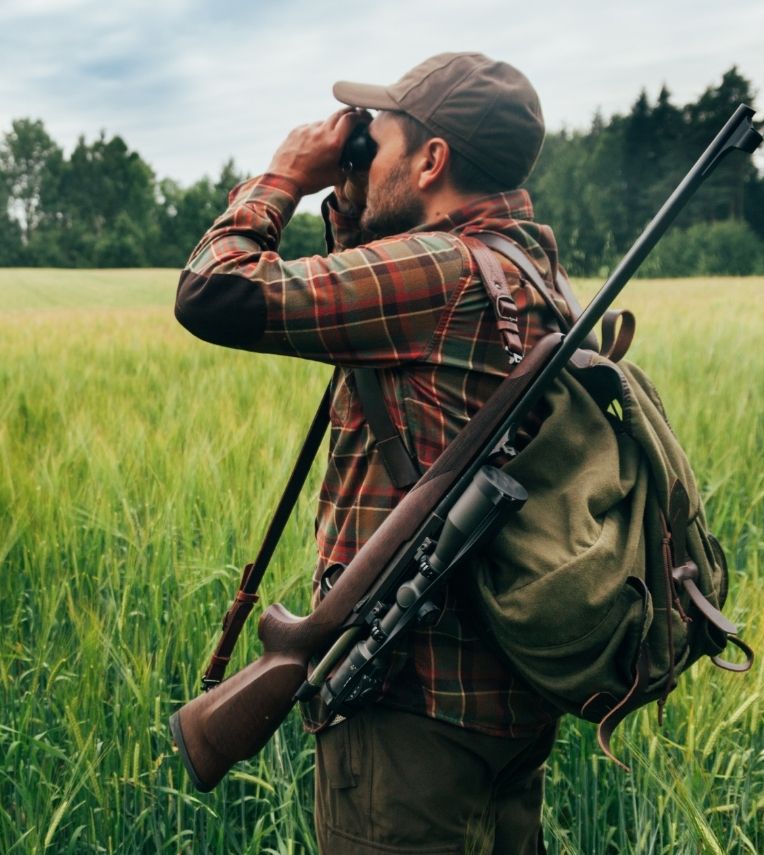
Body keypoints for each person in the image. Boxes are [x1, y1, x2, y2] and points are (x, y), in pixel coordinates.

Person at [174, 53, 569, 854]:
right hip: (509, 701)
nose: (358, 154)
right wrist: (359, 203)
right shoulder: (531, 270)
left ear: (431, 160)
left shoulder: (436, 271)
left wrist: (283, 176)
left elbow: (212, 290)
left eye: (375, 142)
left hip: (407, 713)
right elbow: (378, 339)